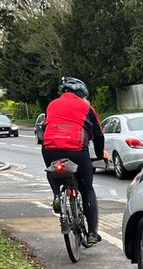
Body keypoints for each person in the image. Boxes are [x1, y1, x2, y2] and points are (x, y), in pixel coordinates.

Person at [42, 77, 106, 246]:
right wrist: (99, 155)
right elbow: (98, 135)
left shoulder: (51, 105)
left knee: (52, 170)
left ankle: (57, 195)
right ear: (82, 94)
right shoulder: (86, 107)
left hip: (50, 148)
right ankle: (92, 233)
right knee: (87, 190)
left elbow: (45, 126)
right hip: (76, 150)